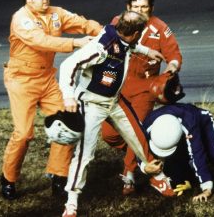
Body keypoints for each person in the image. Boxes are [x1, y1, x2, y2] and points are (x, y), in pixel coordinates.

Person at [59, 11, 174, 217]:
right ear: (137, 32)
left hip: (114, 100)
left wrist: (147, 51)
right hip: (92, 104)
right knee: (85, 153)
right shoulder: (100, 47)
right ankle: (71, 202)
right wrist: (68, 96)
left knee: (138, 136)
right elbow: (69, 65)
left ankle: (156, 175)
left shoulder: (123, 36)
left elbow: (129, 45)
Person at [1, 0, 102, 200]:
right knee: (24, 133)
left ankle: (59, 175)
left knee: (68, 120)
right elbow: (42, 41)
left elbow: (82, 23)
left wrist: (104, 33)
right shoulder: (21, 19)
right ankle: (8, 178)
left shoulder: (56, 13)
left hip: (46, 79)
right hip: (21, 79)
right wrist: (75, 43)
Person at [100, 0, 183, 195]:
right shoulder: (117, 22)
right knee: (109, 134)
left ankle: (129, 174)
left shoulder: (160, 28)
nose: (139, 11)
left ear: (151, 8)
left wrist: (171, 68)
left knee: (133, 131)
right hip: (119, 86)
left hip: (145, 88)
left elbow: (173, 55)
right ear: (128, 7)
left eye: (144, 7)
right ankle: (145, 152)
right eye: (135, 6)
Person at [142, 103, 214, 202]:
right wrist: (144, 167)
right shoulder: (147, 125)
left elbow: (197, 155)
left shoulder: (189, 123)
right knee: (176, 169)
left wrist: (206, 188)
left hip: (202, 121)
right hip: (179, 127)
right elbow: (137, 148)